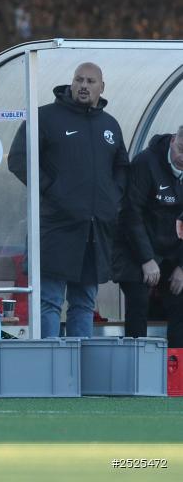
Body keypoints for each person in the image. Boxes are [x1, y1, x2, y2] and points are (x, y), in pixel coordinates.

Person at [8, 62, 128, 338]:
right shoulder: (45, 118)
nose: (84, 86)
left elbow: (122, 166)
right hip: (55, 229)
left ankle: (77, 371)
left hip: (93, 233)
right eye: (79, 80)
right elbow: (18, 159)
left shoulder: (109, 125)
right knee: (49, 302)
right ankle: (51, 369)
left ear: (102, 87)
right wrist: (53, 189)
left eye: (91, 81)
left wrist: (112, 196)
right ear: (71, 83)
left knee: (84, 304)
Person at [115, 127, 183, 348]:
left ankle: (176, 371)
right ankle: (137, 368)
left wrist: (181, 266)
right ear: (173, 141)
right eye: (181, 149)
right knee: (138, 301)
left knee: (180, 302)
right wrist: (146, 259)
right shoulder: (146, 162)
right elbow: (130, 213)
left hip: (172, 252)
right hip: (136, 250)